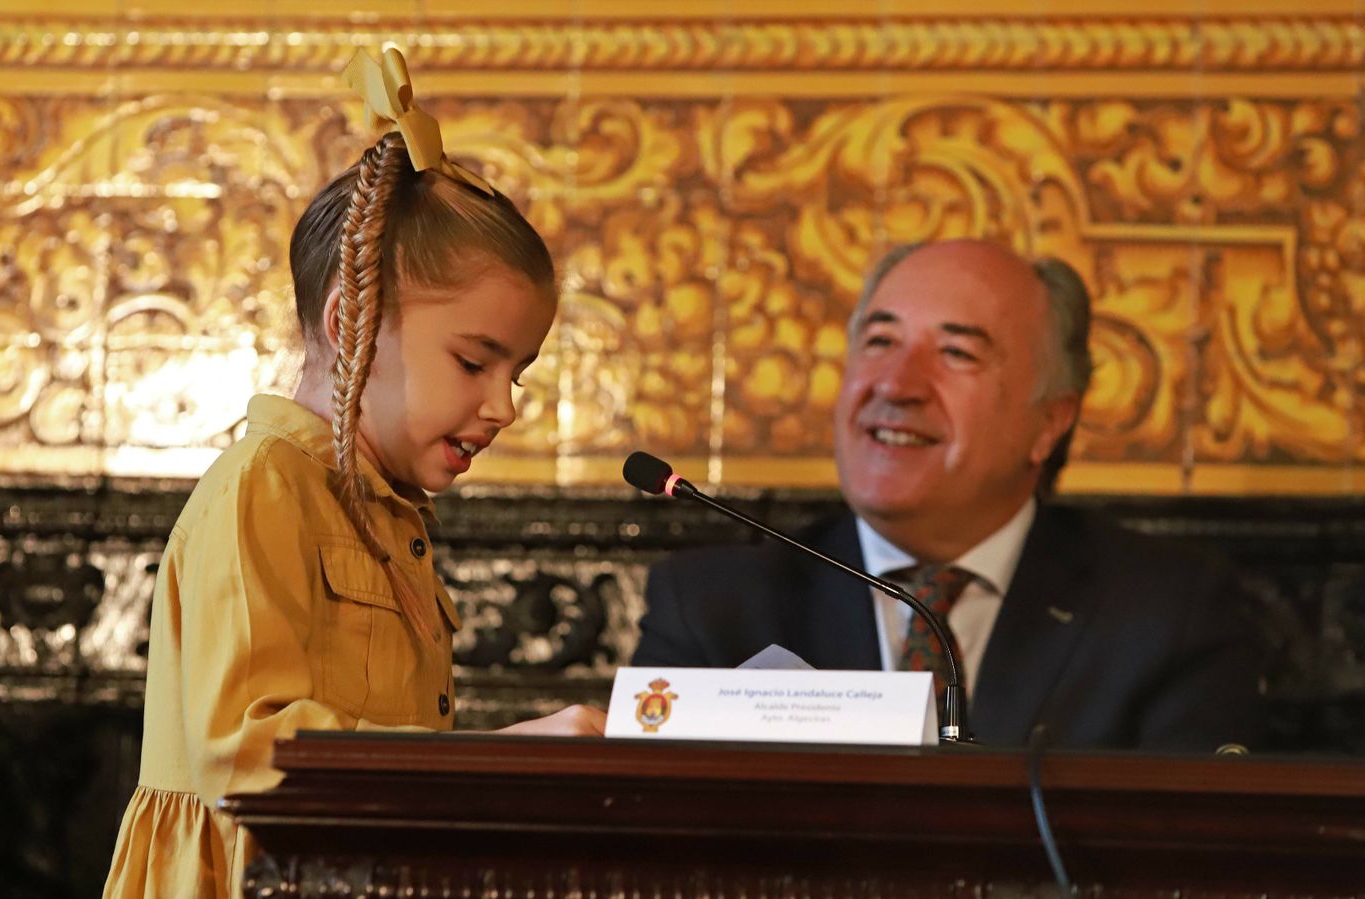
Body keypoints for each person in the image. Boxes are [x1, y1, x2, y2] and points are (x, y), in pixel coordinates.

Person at [103, 48, 604, 899]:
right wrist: (504, 757)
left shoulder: (385, 512)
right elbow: (246, 753)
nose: (505, 406)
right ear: (351, 323)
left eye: (516, 375)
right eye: (475, 362)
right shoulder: (263, 484)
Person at [632, 239, 1265, 752]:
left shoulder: (1169, 616)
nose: (897, 385)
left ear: (1050, 421)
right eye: (879, 342)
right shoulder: (713, 610)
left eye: (957, 352)